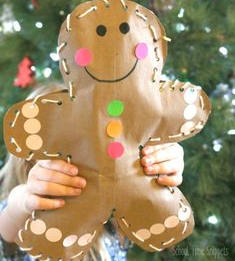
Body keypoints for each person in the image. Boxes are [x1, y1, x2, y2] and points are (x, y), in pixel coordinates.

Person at [0, 83, 185, 261]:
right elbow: (8, 227)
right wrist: (24, 200)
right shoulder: (24, 211)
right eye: (58, 144)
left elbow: (153, 213)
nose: (74, 154)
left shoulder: (111, 210)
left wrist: (159, 165)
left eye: (86, 140)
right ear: (29, 159)